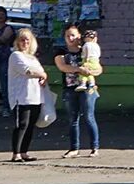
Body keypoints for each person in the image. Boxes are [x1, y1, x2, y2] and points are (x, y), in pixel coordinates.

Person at [55, 23, 103, 158]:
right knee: (72, 119)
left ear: (79, 36)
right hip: (70, 88)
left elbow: (98, 68)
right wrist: (79, 69)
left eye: (73, 35)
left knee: (89, 116)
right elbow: (63, 67)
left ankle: (95, 147)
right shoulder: (61, 52)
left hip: (88, 88)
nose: (71, 38)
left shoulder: (86, 49)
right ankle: (74, 148)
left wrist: (94, 70)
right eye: (67, 36)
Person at [7, 28, 50, 162]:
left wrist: (43, 77)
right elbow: (28, 71)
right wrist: (42, 74)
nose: (25, 42)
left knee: (31, 125)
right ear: (17, 42)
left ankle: (25, 152)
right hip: (21, 97)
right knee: (22, 124)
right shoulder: (16, 55)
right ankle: (16, 153)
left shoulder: (32, 58)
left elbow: (41, 72)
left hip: (35, 96)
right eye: (22, 39)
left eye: (28, 39)